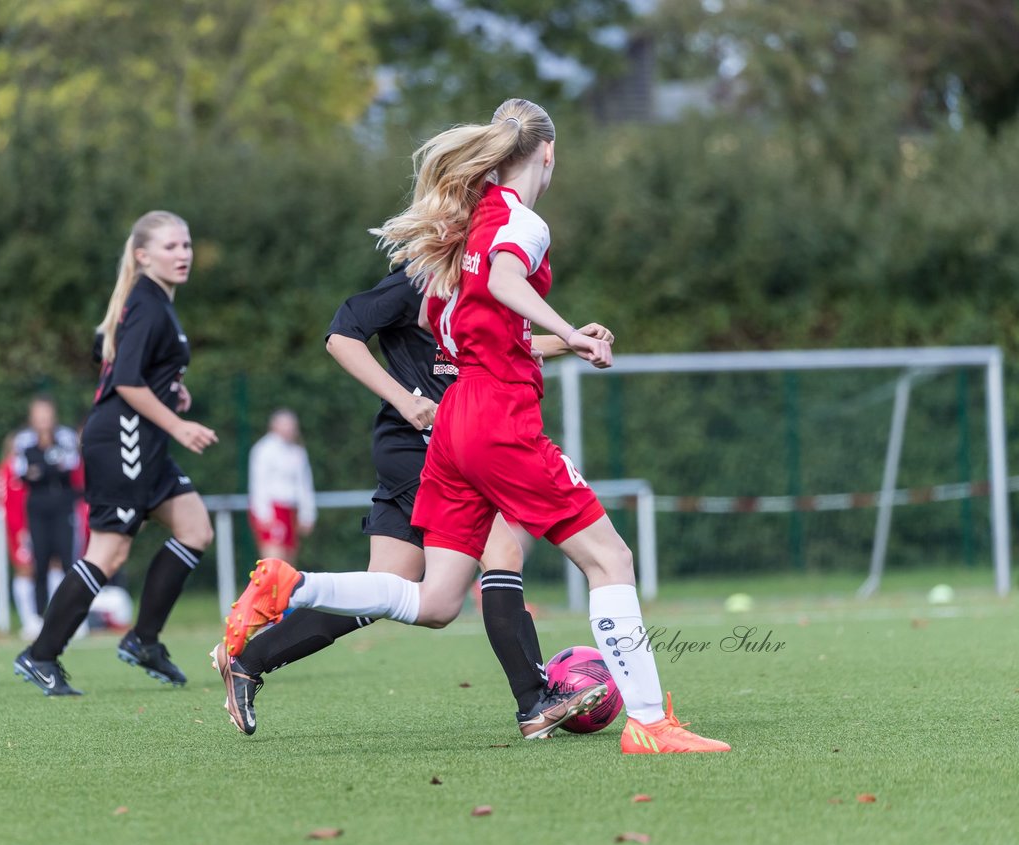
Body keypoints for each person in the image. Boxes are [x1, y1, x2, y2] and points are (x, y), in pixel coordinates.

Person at [222, 100, 729, 752]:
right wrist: (568, 329)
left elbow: (470, 321)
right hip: (496, 418)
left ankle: (292, 584)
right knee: (612, 559)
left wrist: (554, 343)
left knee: (434, 601)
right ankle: (650, 723)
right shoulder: (519, 222)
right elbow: (506, 275)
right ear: (547, 153)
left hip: (455, 423)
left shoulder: (462, 227)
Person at [214, 265, 602, 738]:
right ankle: (534, 702)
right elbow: (341, 336)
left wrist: (568, 340)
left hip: (441, 443)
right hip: (422, 443)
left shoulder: (472, 283)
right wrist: (403, 399)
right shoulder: (417, 280)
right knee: (501, 551)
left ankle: (247, 661)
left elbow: (496, 348)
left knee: (388, 585)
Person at [13, 210, 217, 696]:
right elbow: (124, 380)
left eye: (186, 245)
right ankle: (40, 655)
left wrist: (172, 393)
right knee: (109, 550)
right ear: (143, 255)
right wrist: (178, 424)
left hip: (143, 439)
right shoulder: (147, 301)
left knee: (195, 529)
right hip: (122, 440)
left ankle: (144, 640)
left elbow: (125, 366)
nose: (183, 254)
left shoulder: (154, 300)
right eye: (170, 247)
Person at [13, 395, 81, 614]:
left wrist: (41, 469)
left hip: (63, 507)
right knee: (40, 561)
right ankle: (39, 616)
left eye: (46, 415)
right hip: (38, 508)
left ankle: (72, 613)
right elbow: (22, 472)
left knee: (68, 560)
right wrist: (49, 467)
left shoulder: (66, 437)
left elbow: (70, 465)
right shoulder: (23, 441)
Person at [247, 409, 316, 562]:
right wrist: (263, 514)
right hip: (273, 510)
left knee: (288, 566)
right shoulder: (263, 450)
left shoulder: (297, 452)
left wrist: (307, 514)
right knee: (273, 563)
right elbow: (258, 483)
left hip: (290, 510)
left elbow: (304, 484)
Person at [0, 431, 41, 638]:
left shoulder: (27, 468)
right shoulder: (6, 470)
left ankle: (40, 616)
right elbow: (5, 503)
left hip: (35, 524)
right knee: (24, 570)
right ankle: (28, 619)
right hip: (18, 528)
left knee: (42, 567)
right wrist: (19, 529)